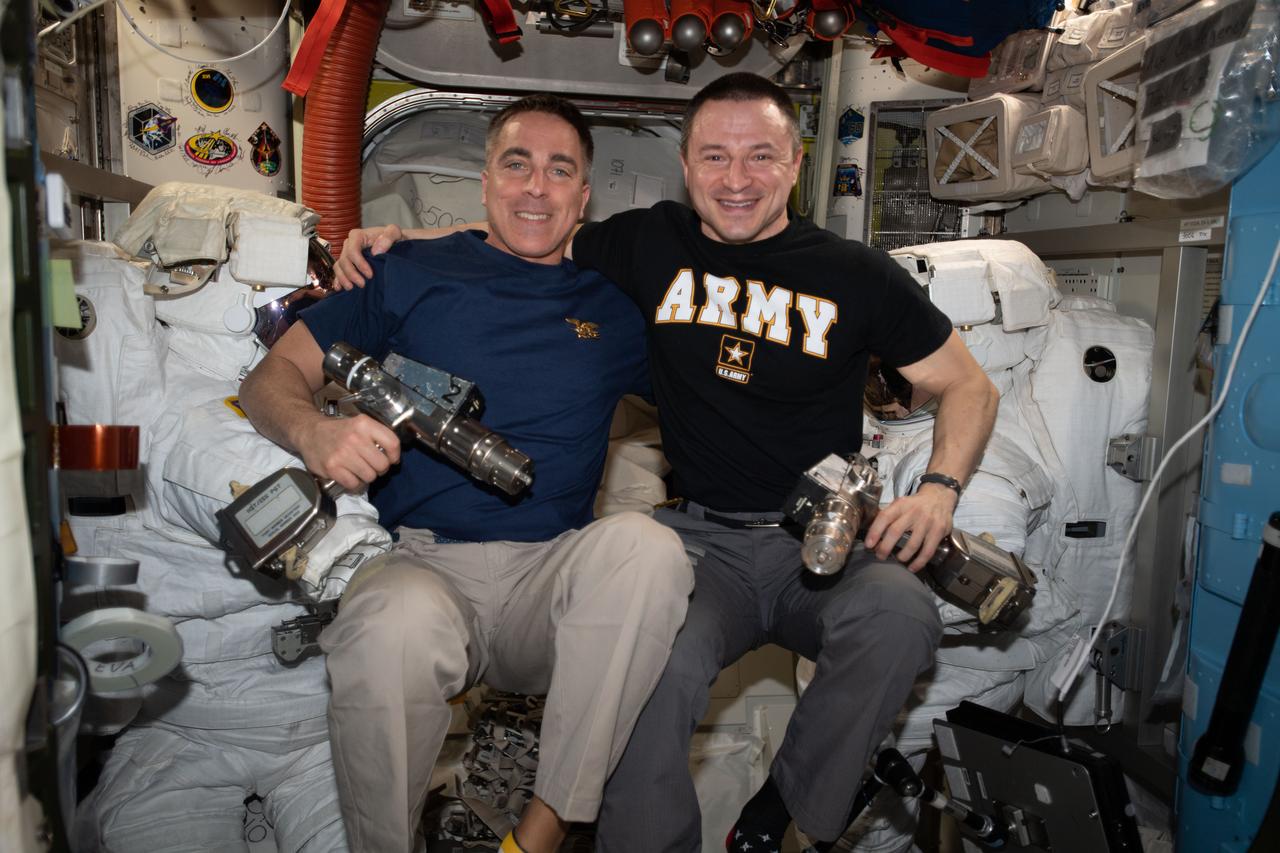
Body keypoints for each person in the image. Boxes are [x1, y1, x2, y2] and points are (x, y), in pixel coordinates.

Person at [337, 73, 998, 852]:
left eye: (760, 156)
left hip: (817, 545)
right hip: (702, 544)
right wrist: (390, 240)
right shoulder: (648, 242)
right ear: (686, 166)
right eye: (715, 156)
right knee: (645, 673)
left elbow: (966, 384)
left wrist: (939, 491)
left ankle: (787, 823)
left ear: (793, 163)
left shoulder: (855, 273)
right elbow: (524, 226)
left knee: (900, 614)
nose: (737, 178)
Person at [237, 94, 694, 853]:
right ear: (485, 181)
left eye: (559, 171)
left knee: (648, 549)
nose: (536, 188)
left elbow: (711, 392)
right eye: (516, 165)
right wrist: (316, 431)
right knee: (386, 625)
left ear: (584, 196)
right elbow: (268, 378)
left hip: (549, 574)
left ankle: (543, 830)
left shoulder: (615, 307)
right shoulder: (404, 270)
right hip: (421, 561)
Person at [61, 184, 372, 852]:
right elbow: (248, 486)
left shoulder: (262, 395)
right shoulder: (202, 410)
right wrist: (356, 558)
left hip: (294, 719)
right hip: (196, 725)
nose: (309, 312)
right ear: (227, 295)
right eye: (293, 297)